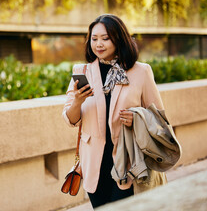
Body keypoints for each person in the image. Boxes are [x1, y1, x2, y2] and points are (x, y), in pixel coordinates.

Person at [62, 14, 164, 209]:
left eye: (105, 38)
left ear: (119, 39)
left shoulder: (141, 72)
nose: (98, 44)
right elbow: (69, 120)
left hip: (128, 163)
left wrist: (137, 118)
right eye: (94, 39)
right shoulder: (83, 72)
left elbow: (160, 118)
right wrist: (77, 101)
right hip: (94, 165)